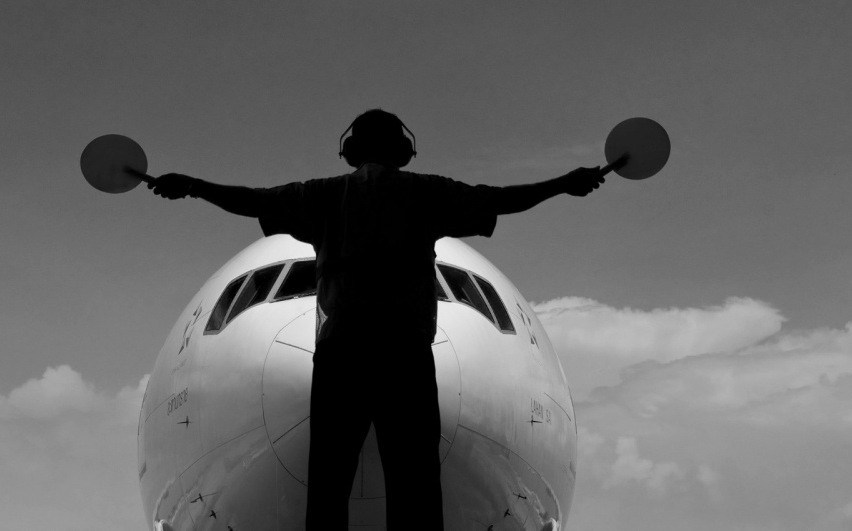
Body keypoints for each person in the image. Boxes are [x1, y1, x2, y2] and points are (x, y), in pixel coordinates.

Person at [147, 109, 604, 530]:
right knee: (415, 478)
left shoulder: (325, 196)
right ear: (403, 151)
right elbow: (499, 200)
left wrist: (193, 185)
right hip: (404, 351)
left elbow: (252, 201)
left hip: (341, 350)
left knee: (328, 480)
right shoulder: (425, 194)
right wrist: (563, 183)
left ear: (350, 151)